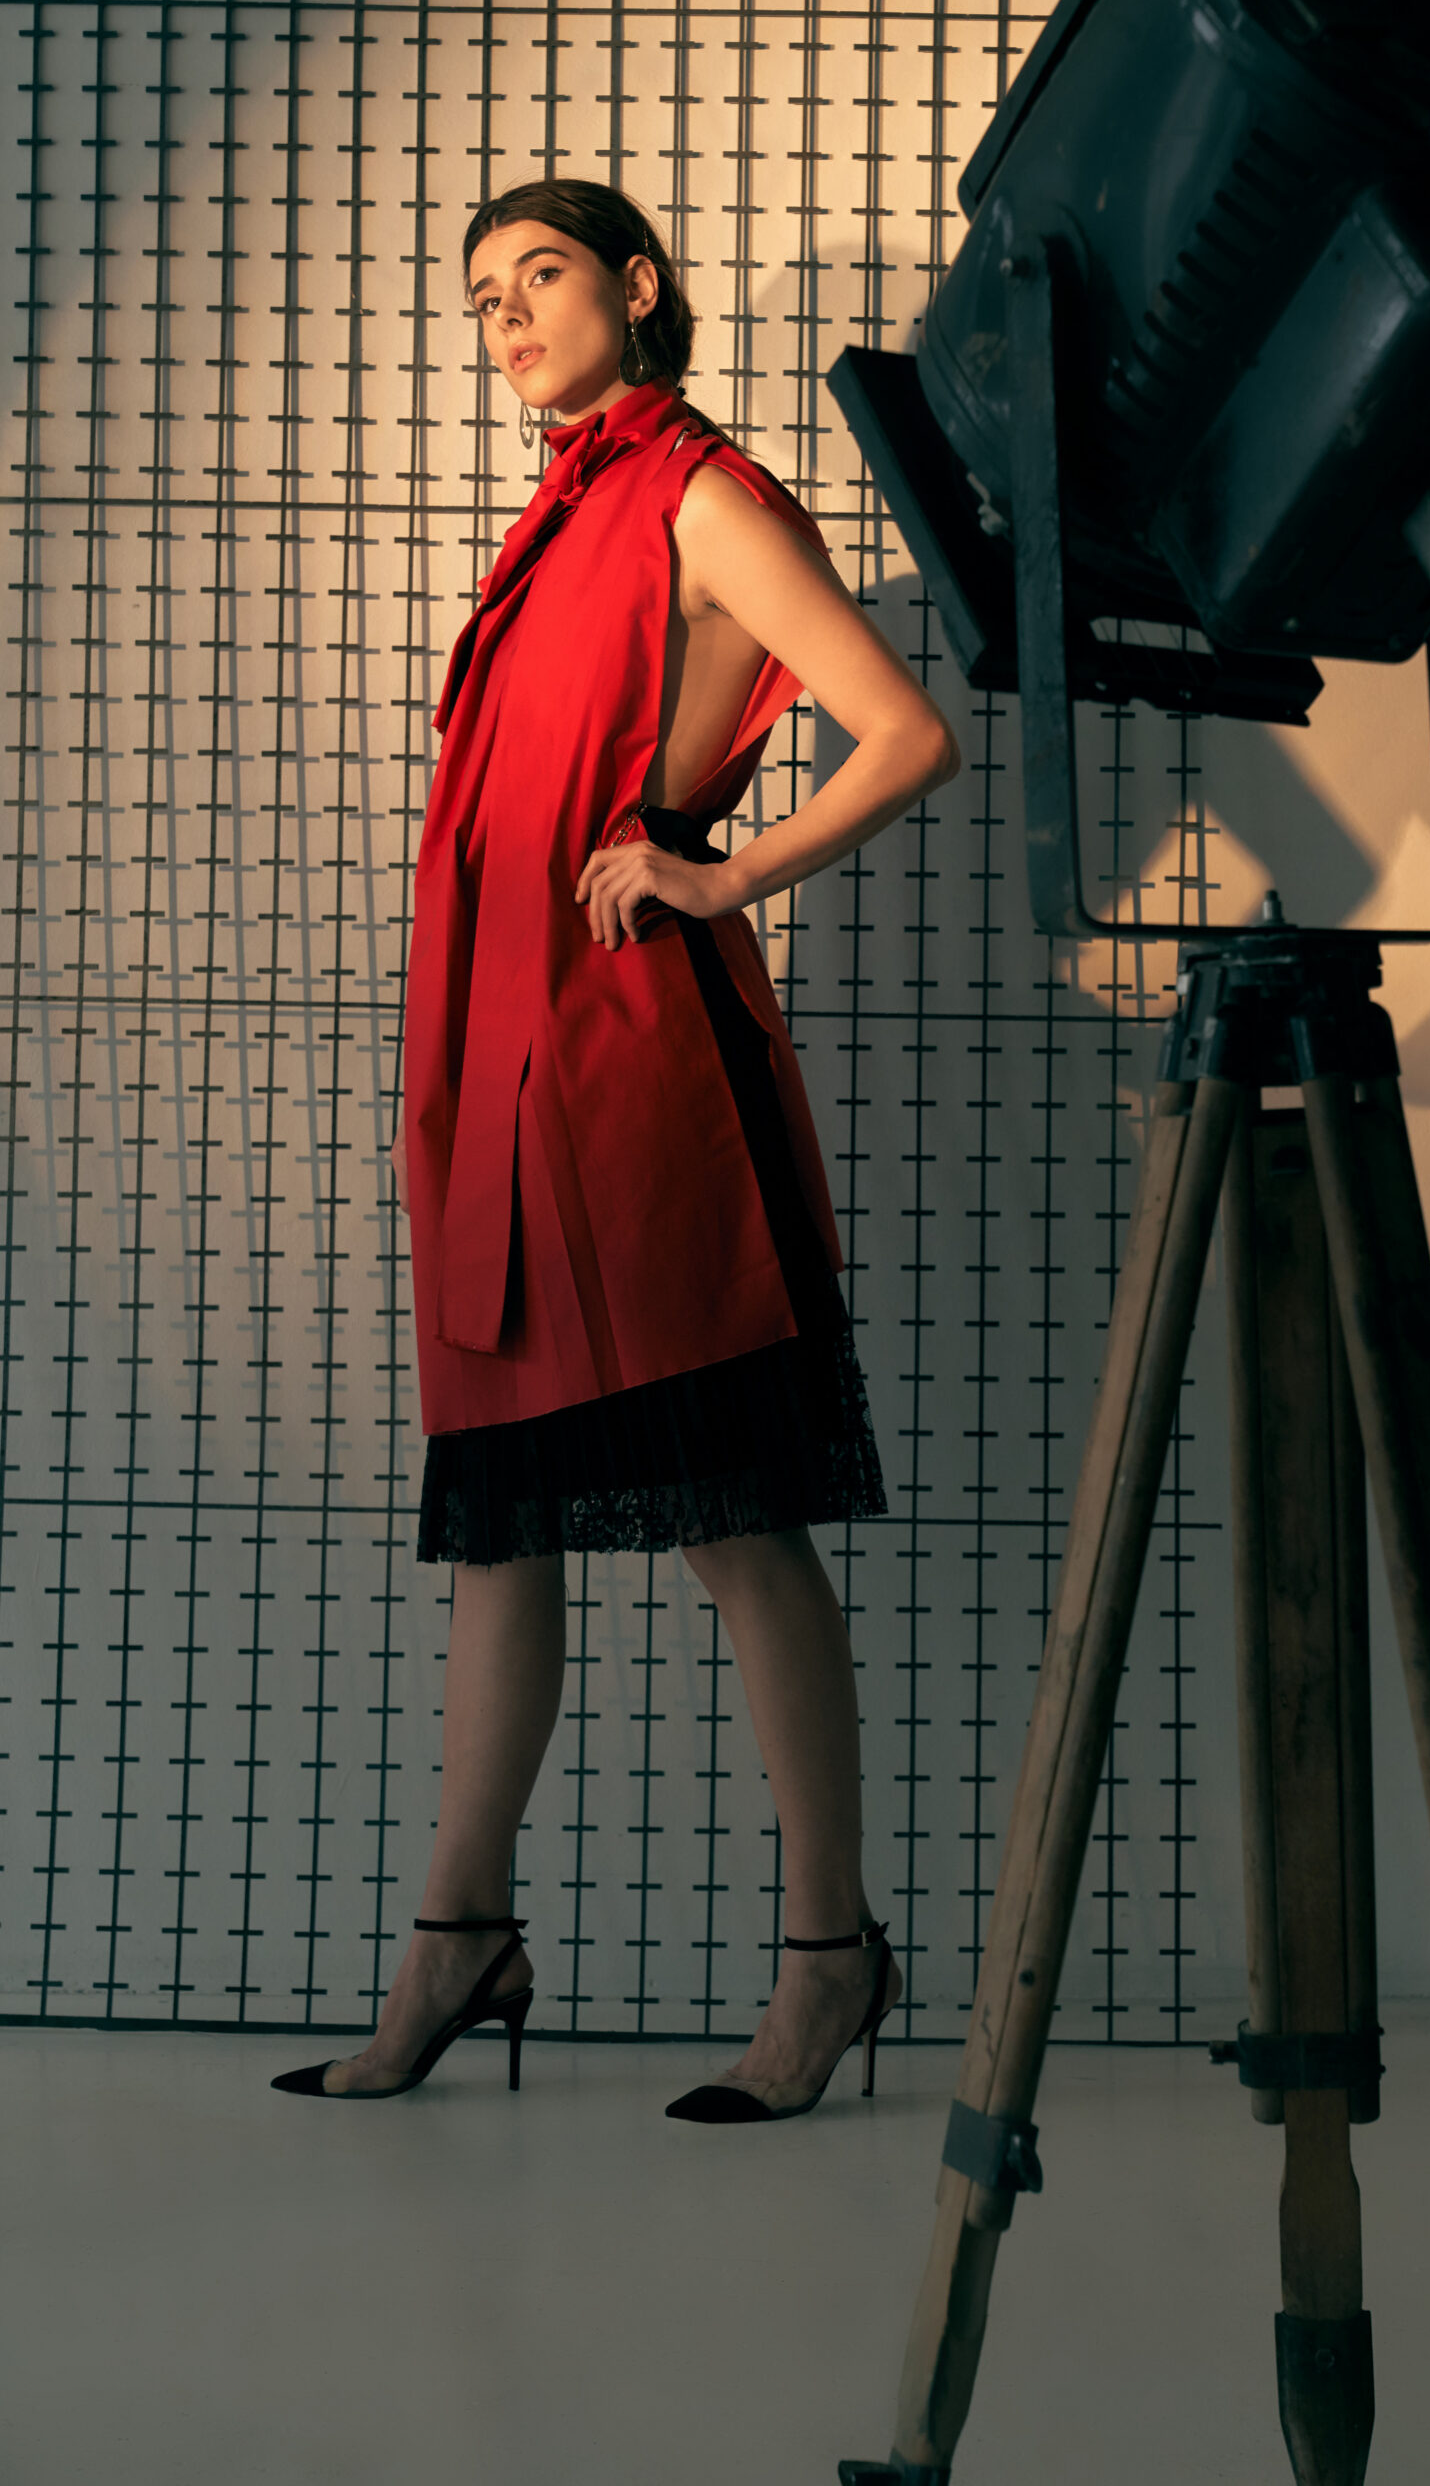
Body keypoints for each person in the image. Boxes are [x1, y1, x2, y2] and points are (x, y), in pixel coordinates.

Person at [271, 179, 958, 2119]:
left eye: (542, 275)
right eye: (480, 295)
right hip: (501, 1079)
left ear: (636, 285)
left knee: (732, 1521)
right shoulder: (556, 514)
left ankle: (827, 1957)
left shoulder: (695, 493)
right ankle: (457, 1938)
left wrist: (717, 871)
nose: (505, 315)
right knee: (504, 1529)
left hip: (637, 1075)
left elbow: (903, 730)